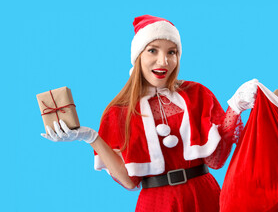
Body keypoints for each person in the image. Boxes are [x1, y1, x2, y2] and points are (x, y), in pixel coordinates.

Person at [41, 15, 258, 212]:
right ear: (138, 56)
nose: (163, 61)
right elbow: (128, 181)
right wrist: (90, 137)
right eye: (153, 50)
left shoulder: (197, 94)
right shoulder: (119, 112)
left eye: (171, 52)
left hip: (204, 196)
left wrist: (236, 107)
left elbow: (215, 160)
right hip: (157, 204)